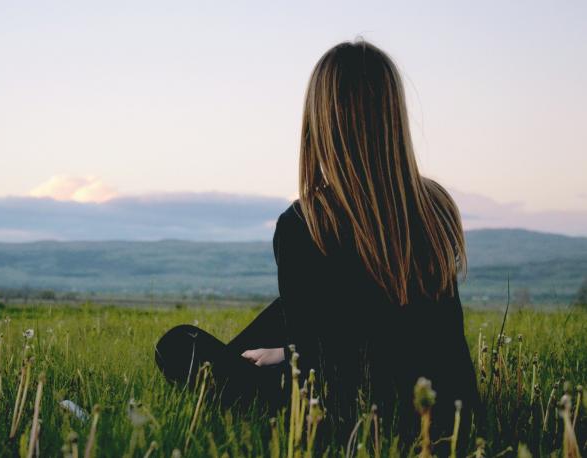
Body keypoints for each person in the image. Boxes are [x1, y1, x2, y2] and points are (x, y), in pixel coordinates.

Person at [154, 38, 480, 450]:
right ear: (393, 115)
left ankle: (233, 373)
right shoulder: (436, 205)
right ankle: (257, 357)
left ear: (322, 121)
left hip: (348, 416)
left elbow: (329, 369)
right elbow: (398, 327)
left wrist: (289, 355)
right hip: (449, 414)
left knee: (178, 346)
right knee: (283, 313)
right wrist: (289, 349)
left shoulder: (307, 222)